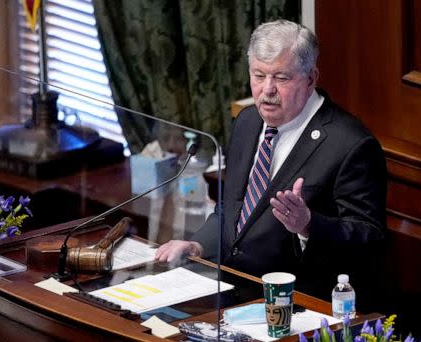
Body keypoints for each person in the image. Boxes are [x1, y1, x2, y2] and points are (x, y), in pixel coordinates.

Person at [156, 19, 387, 306]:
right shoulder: (248, 121)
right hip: (230, 294)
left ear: (311, 78)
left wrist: (309, 225)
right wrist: (197, 245)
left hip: (298, 305)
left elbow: (370, 239)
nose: (267, 90)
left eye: (281, 78)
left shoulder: (351, 144)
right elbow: (231, 213)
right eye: (258, 75)